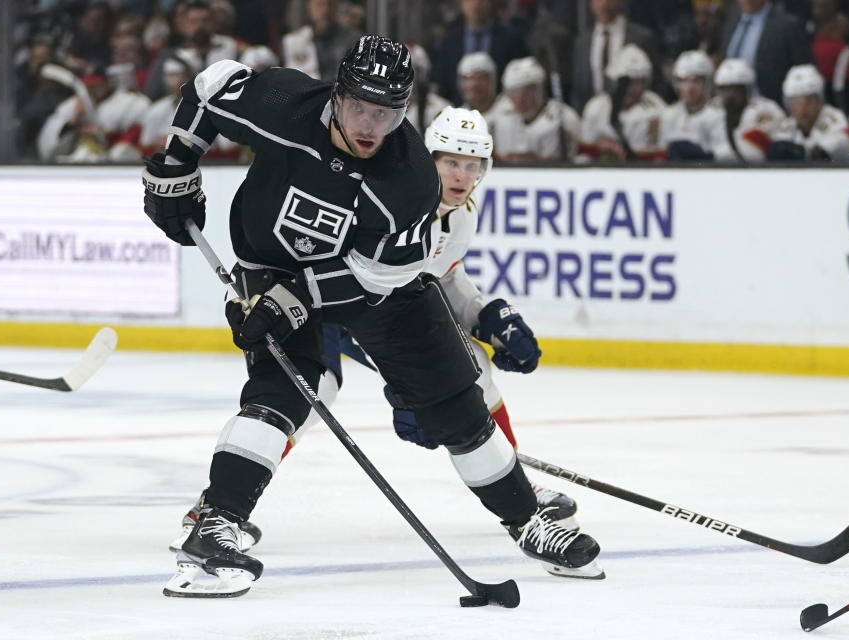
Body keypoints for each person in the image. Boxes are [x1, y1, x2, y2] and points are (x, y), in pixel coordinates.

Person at [142, 34, 604, 598]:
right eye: (359, 106)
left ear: (403, 111)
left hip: (377, 289)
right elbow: (213, 86)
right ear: (337, 94)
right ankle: (217, 524)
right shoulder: (283, 106)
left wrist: (286, 302)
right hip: (269, 262)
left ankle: (528, 521)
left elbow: (374, 278)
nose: (369, 125)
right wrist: (176, 163)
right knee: (283, 390)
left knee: (457, 402)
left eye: (385, 113)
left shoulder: (409, 181)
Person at [579, 44, 666, 161]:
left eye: (637, 82)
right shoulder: (595, 106)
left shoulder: (656, 108)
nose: (631, 89)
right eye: (625, 82)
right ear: (613, 81)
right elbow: (584, 156)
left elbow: (652, 161)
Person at [491, 56, 581, 162]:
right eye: (514, 92)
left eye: (528, 90)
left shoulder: (565, 117)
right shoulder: (500, 117)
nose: (520, 98)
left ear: (541, 89)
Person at [767, 64, 849, 161]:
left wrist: (807, 153)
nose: (802, 108)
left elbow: (832, 150)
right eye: (795, 102)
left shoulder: (839, 121)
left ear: (820, 100)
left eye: (809, 100)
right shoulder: (785, 128)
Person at [710, 58, 784, 162]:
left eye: (735, 89)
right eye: (725, 89)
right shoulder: (712, 109)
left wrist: (715, 154)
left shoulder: (765, 110)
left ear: (747, 89)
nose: (730, 95)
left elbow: (756, 152)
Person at [658, 49, 726, 161]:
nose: (690, 88)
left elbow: (722, 157)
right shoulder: (669, 115)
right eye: (684, 81)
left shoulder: (719, 115)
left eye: (696, 81)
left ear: (707, 83)